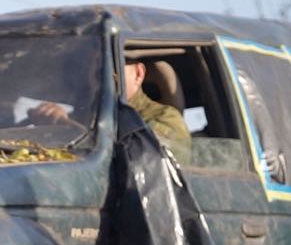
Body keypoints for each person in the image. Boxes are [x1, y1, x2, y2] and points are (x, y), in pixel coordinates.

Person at [29, 53, 192, 165]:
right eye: (89, 73)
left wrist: (66, 124)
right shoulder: (84, 117)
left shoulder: (166, 118)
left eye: (105, 72)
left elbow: (143, 160)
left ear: (138, 74)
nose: (95, 81)